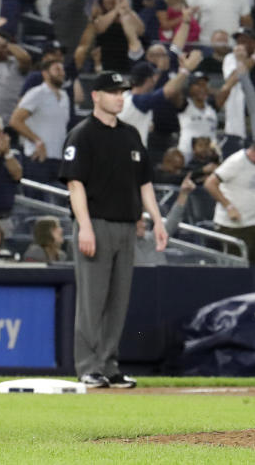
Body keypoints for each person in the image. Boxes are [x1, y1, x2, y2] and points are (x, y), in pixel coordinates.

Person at [58, 70, 169, 389]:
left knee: (118, 301)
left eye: (123, 91)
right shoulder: (82, 134)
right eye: (113, 92)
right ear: (96, 96)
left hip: (126, 227)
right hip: (97, 224)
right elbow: (75, 184)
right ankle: (88, 366)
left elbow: (145, 183)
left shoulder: (131, 134)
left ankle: (109, 364)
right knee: (92, 300)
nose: (120, 96)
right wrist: (85, 227)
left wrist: (158, 220)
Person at [203, 134, 255, 265]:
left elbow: (248, 186)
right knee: (237, 266)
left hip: (250, 223)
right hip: (231, 226)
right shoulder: (237, 161)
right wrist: (229, 207)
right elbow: (210, 183)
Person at [8, 56, 70, 185]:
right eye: (57, 69)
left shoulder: (65, 96)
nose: (61, 73)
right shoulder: (36, 93)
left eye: (62, 70)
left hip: (58, 157)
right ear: (45, 73)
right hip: (38, 158)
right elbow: (15, 120)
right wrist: (37, 140)